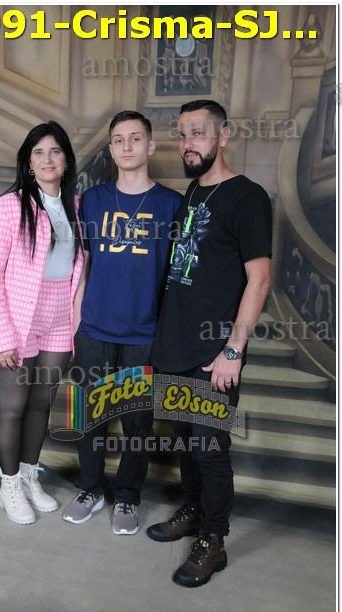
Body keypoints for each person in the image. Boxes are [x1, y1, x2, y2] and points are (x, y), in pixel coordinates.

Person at [149, 99, 272, 586]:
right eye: (182, 134)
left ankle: (213, 541)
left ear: (223, 136)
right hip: (176, 345)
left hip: (214, 353)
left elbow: (259, 280)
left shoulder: (247, 197)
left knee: (209, 448)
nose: (187, 143)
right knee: (185, 441)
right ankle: (194, 511)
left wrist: (232, 352)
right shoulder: (194, 191)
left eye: (198, 133)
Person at [62, 110, 182, 535]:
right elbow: (84, 264)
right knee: (89, 417)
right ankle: (90, 488)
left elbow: (177, 276)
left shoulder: (172, 205)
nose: (126, 146)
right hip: (95, 328)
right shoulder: (93, 200)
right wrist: (76, 322)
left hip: (143, 333)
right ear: (111, 149)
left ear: (151, 146)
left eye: (135, 138)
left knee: (137, 423)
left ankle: (128, 496)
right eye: (118, 140)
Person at [0, 121, 85, 525]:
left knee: (41, 404)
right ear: (28, 162)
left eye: (55, 151)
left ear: (66, 159)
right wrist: (2, 336)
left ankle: (28, 476)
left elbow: (78, 270)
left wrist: (75, 322)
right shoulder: (8, 206)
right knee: (13, 407)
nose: (47, 159)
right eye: (38, 152)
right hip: (16, 321)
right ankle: (9, 486)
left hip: (58, 319)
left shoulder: (76, 207)